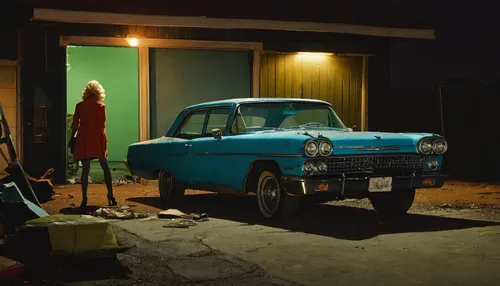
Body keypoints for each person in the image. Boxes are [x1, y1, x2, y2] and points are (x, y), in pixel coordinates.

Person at [68, 80, 117, 208]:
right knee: (105, 167)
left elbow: (74, 125)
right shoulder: (101, 106)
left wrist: (72, 138)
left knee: (85, 170)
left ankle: (84, 199)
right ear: (98, 92)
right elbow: (102, 125)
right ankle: (110, 195)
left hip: (84, 138)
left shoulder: (79, 106)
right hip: (97, 137)